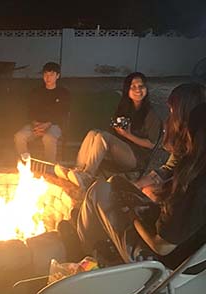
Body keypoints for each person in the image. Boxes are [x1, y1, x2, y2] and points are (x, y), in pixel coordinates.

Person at [74, 83, 206, 269]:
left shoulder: (195, 182)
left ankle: (89, 258)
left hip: (161, 265)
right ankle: (97, 245)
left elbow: (161, 246)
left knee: (98, 191)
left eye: (171, 112)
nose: (169, 118)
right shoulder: (194, 166)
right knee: (113, 183)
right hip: (181, 246)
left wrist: (131, 214)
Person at [55, 72, 162, 191]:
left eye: (141, 86)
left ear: (146, 89)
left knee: (102, 136)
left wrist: (127, 135)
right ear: (127, 90)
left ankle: (87, 176)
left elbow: (151, 144)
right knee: (93, 133)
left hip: (136, 157)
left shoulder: (150, 114)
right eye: (133, 87)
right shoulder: (125, 107)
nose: (138, 90)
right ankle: (78, 170)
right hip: (121, 150)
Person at [14, 62, 71, 163]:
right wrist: (35, 124)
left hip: (54, 125)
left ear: (57, 76)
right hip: (35, 125)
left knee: (48, 138)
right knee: (19, 136)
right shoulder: (36, 92)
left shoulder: (63, 93)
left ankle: (49, 167)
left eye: (51, 75)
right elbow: (30, 111)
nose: (48, 78)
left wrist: (47, 125)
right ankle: (25, 163)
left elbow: (62, 113)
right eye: (45, 75)